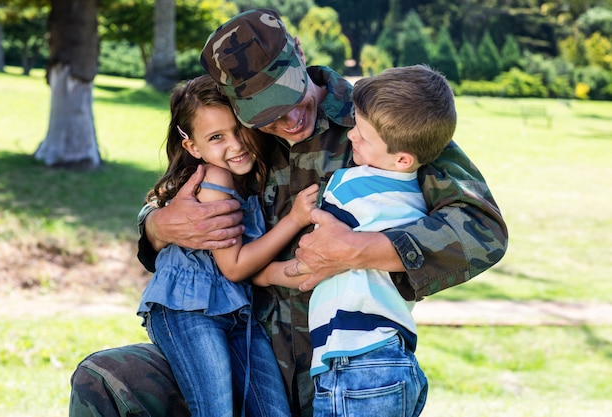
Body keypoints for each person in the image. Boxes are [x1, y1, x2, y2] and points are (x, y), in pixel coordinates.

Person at [69, 8, 508, 417]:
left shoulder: (378, 121)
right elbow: (177, 186)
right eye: (267, 114)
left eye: (291, 95)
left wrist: (360, 250)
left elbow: (480, 227)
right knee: (104, 379)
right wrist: (158, 225)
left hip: (346, 369)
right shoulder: (238, 137)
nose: (290, 119)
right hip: (249, 355)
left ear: (297, 51)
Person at [254, 64, 455, 417]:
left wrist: (262, 273)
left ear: (402, 157)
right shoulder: (417, 201)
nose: (351, 138)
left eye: (361, 134)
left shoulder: (350, 186)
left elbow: (311, 263)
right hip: (393, 358)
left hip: (354, 365)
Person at [137, 74, 318, 417]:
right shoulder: (215, 178)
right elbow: (233, 266)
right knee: (215, 410)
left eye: (239, 130)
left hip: (239, 313)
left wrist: (280, 272)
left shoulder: (247, 177)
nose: (235, 145)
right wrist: (295, 219)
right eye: (217, 137)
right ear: (193, 147)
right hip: (189, 308)